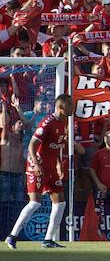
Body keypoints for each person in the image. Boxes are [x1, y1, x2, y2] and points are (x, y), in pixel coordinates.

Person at [6, 93, 72, 249]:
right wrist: (36, 165)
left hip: (51, 167)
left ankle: (48, 240)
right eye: (70, 105)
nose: (73, 107)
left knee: (60, 202)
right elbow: (32, 146)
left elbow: (57, 146)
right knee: (35, 203)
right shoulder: (47, 122)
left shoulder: (64, 122)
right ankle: (12, 236)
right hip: (37, 166)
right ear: (60, 107)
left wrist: (58, 164)